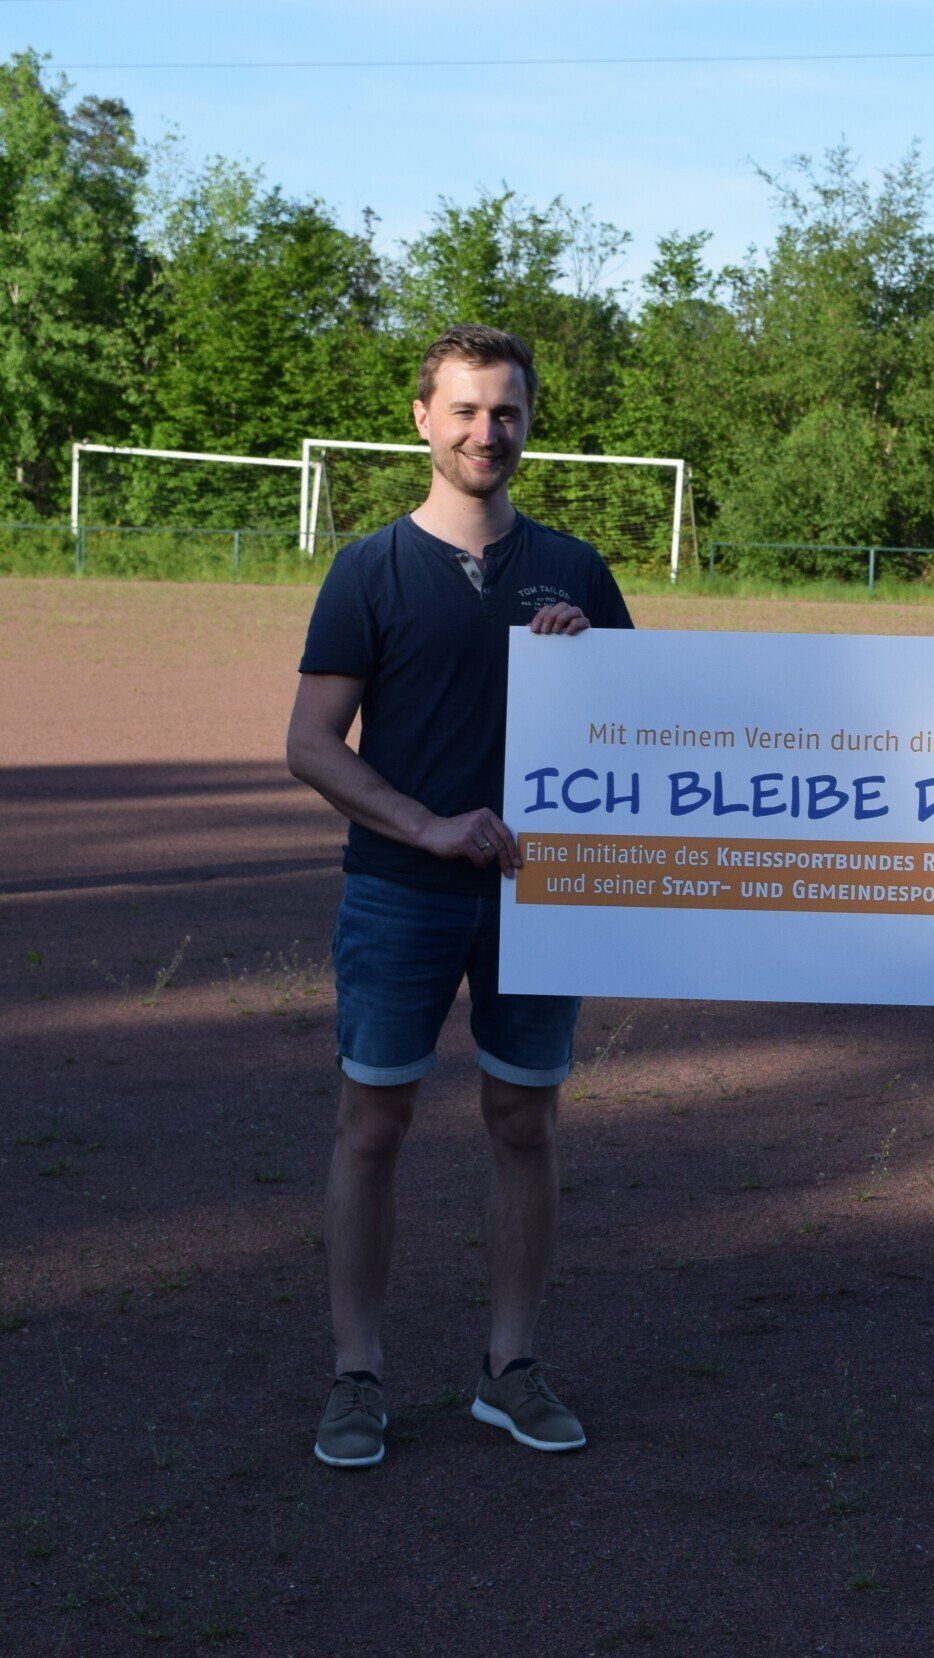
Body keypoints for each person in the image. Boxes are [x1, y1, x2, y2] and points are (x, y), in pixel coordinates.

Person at [287, 324, 633, 1468]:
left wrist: (593, 658)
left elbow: (641, 732)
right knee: (373, 1124)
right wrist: (426, 825)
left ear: (531, 424)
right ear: (424, 420)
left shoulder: (575, 568)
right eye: (469, 410)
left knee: (523, 1122)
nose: (490, 431)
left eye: (510, 413)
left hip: (544, 896)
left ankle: (510, 1365)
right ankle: (356, 1372)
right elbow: (311, 744)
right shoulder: (369, 566)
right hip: (399, 888)